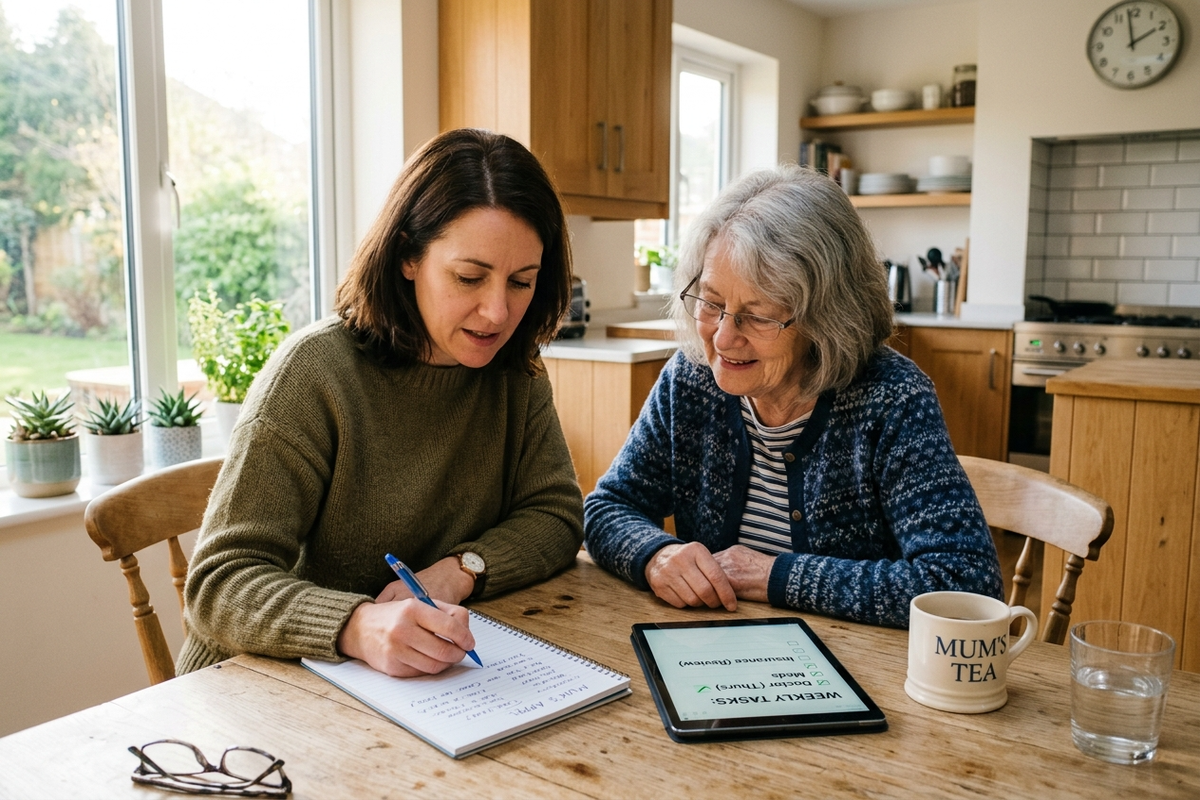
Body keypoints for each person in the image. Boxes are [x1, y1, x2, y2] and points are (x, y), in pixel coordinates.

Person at [180, 129, 584, 678]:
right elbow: (218, 584)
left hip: (414, 683)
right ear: (407, 256)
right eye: (469, 277)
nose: (497, 312)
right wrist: (356, 625)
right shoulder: (313, 373)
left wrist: (460, 570)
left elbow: (555, 516)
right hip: (254, 684)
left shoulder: (516, 372)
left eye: (521, 282)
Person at [584, 164, 1003, 628]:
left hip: (861, 661)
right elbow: (606, 508)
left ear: (827, 317)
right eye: (711, 303)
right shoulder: (690, 379)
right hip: (711, 650)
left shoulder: (892, 399)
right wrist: (656, 554)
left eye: (758, 315)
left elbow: (966, 585)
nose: (722, 338)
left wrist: (773, 575)